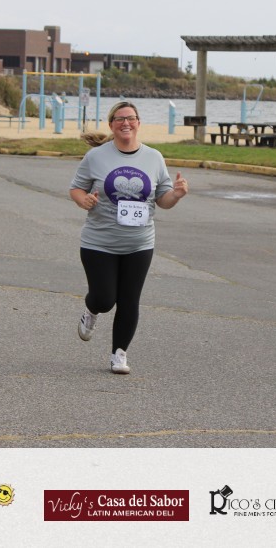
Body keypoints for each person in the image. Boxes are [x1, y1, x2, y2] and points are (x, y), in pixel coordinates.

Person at [69, 101, 189, 374]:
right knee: (104, 299)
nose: (126, 123)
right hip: (99, 242)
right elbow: (76, 189)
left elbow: (163, 200)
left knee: (129, 300)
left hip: (139, 243)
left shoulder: (154, 157)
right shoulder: (96, 156)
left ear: (138, 123)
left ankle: (119, 354)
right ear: (111, 125)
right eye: (120, 119)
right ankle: (91, 310)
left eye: (131, 118)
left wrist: (177, 194)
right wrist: (83, 200)